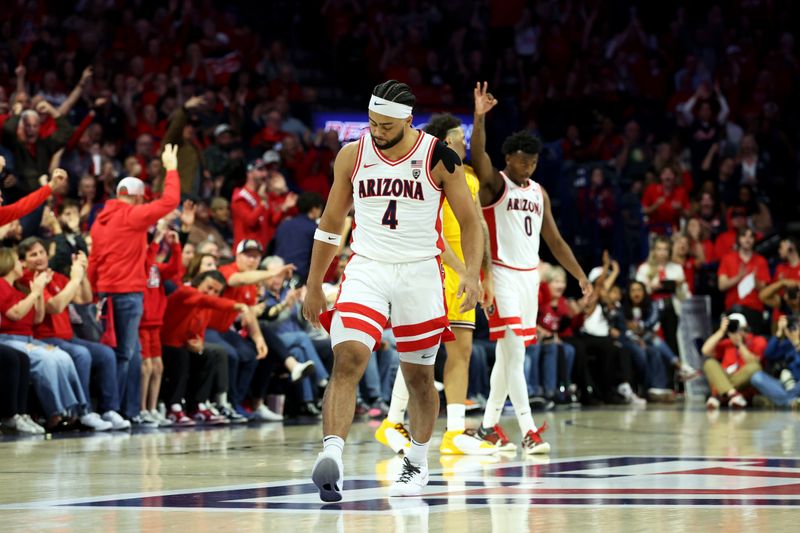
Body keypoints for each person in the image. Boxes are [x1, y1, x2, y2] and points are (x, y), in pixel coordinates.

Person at [303, 80, 482, 501]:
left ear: (406, 120)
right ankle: (333, 456)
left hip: (420, 272)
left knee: (420, 378)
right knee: (348, 357)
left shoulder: (439, 156)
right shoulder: (352, 155)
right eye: (371, 123)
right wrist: (314, 283)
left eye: (385, 125)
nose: (376, 131)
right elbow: (330, 224)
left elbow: (471, 222)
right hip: (366, 267)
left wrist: (472, 274)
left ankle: (417, 462)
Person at [375, 85, 496, 457]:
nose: (465, 142)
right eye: (459, 137)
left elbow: (480, 226)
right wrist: (463, 271)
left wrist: (483, 274)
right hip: (441, 268)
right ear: (444, 141)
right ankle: (392, 421)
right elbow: (434, 235)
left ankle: (455, 430)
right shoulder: (432, 173)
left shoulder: (469, 175)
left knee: (462, 349)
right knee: (421, 346)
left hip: (466, 272)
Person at [471, 86, 591, 454]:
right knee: (515, 354)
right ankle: (527, 430)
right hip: (500, 274)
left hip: (529, 278)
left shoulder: (539, 192)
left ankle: (488, 427)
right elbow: (477, 157)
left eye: (534, 162)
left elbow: (555, 241)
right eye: (523, 161)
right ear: (508, 158)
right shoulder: (495, 184)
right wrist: (479, 118)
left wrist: (580, 275)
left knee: (510, 356)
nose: (529, 167)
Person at [88, 144, 181, 421]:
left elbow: (95, 260)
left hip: (105, 292)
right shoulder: (132, 216)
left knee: (118, 353)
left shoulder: (99, 221)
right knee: (124, 355)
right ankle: (115, 409)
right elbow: (169, 202)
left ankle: (123, 409)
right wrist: (171, 168)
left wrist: (93, 293)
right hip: (127, 294)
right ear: (139, 198)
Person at [19, 238, 130, 430]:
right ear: (23, 262)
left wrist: (82, 273)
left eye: (41, 252)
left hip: (67, 337)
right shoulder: (27, 279)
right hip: (44, 338)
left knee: (106, 354)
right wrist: (75, 279)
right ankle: (84, 412)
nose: (39, 257)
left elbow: (84, 298)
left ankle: (109, 410)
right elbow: (55, 306)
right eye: (32, 254)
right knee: (82, 354)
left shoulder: (56, 277)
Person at [0, 247, 111, 432]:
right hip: (9, 338)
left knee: (62, 357)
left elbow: (36, 318)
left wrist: (39, 292)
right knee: (48, 360)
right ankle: (54, 415)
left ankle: (75, 411)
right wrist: (36, 292)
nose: (21, 264)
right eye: (19, 261)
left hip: (27, 338)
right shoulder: (2, 285)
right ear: (9, 263)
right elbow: (15, 313)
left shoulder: (18, 288)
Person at [701, 313, 765, 409]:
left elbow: (754, 363)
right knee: (709, 363)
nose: (734, 332)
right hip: (727, 377)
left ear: (745, 329)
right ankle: (732, 393)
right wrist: (721, 331)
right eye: (731, 329)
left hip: (743, 383)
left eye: (737, 328)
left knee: (755, 367)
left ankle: (720, 395)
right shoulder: (727, 343)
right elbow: (705, 351)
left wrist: (739, 345)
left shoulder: (758, 340)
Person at [717, 228, 770, 333]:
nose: (747, 239)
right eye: (744, 236)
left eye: (751, 236)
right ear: (738, 239)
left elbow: (765, 289)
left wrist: (755, 281)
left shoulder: (761, 261)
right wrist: (738, 277)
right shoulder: (728, 258)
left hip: (754, 310)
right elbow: (721, 285)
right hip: (733, 309)